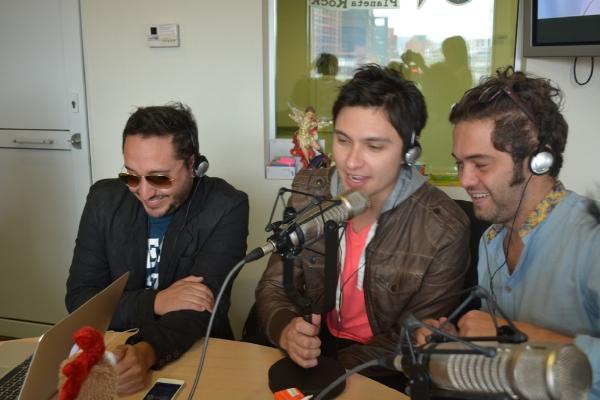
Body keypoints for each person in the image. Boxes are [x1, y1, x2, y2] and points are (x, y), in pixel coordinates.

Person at [255, 64, 470, 387]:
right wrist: (286, 329)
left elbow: (415, 335)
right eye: (343, 140)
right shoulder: (309, 191)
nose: (352, 162)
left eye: (374, 146)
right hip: (314, 348)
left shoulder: (444, 228)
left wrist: (333, 370)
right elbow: (274, 286)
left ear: (410, 151)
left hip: (385, 368)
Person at [416, 68, 600, 398]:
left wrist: (514, 334)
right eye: (460, 164)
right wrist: (456, 339)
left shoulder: (592, 239)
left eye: (481, 164)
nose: (465, 180)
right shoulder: (491, 241)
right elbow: (500, 356)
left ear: (539, 160)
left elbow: (509, 337)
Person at [65, 103, 249, 395]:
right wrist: (156, 301)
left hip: (194, 351)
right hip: (111, 353)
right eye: (131, 175)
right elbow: (81, 300)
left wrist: (145, 352)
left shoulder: (226, 206)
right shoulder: (103, 200)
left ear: (193, 165)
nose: (144, 191)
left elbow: (203, 307)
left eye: (159, 178)